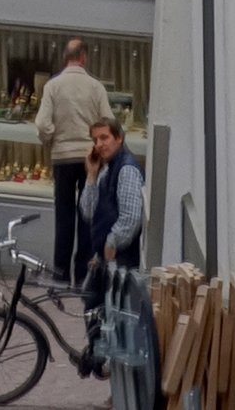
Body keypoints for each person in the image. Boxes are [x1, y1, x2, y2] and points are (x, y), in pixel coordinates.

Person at [34, 38, 110, 286]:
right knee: (87, 215)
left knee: (63, 216)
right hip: (90, 158)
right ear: (84, 57)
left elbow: (42, 124)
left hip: (62, 158)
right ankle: (82, 274)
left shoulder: (53, 87)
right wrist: (98, 147)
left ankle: (61, 273)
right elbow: (108, 121)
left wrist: (51, 140)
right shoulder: (96, 87)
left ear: (65, 57)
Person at [76, 112, 147, 328]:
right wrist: (91, 174)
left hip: (122, 260)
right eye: (95, 140)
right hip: (106, 259)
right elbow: (88, 211)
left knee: (107, 318)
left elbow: (130, 216)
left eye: (104, 138)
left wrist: (111, 243)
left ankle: (98, 360)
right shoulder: (106, 170)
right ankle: (95, 358)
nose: (99, 144)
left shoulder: (126, 169)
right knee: (94, 310)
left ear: (119, 138)